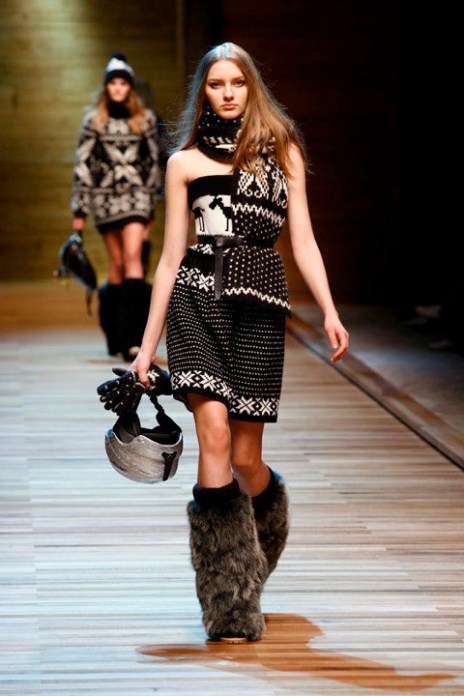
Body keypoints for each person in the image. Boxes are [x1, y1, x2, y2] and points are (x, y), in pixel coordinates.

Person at [131, 42, 349, 643]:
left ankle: (265, 519)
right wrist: (146, 349)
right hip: (197, 303)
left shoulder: (282, 150)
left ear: (252, 88)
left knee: (246, 461)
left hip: (258, 311)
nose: (227, 93)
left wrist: (330, 310)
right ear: (203, 92)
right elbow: (169, 258)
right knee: (215, 437)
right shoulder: (183, 163)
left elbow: (302, 241)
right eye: (216, 84)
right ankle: (228, 605)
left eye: (237, 83)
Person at [71, 52, 163, 360]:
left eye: (123, 83)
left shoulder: (145, 120)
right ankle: (116, 335)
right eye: (113, 83)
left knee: (133, 257)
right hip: (105, 200)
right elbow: (83, 165)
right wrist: (79, 210)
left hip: (137, 198)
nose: (118, 88)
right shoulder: (93, 122)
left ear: (130, 87)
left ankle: (133, 340)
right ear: (106, 87)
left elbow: (154, 162)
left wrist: (151, 204)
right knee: (117, 264)